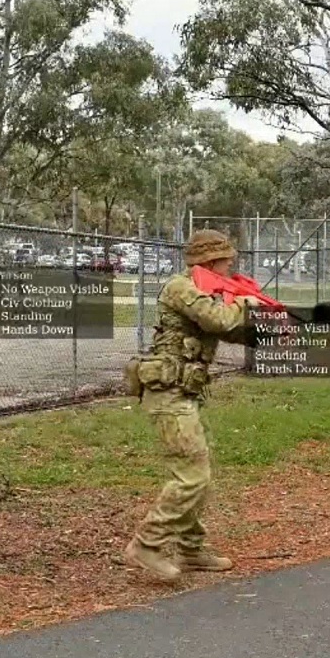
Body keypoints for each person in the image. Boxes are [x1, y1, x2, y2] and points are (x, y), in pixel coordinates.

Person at [122, 229, 267, 582]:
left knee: (198, 472)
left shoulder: (210, 293)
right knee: (193, 476)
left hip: (184, 393)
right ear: (209, 260)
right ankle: (146, 544)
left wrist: (272, 324)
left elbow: (231, 331)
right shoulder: (181, 287)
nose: (230, 267)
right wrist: (247, 303)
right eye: (226, 261)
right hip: (167, 393)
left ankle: (190, 549)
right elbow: (218, 319)